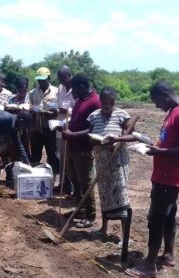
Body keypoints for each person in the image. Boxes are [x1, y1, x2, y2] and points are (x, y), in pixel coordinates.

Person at [125, 81, 179, 278]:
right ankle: (168, 255)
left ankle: (149, 265)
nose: (157, 106)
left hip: (169, 177)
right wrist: (152, 145)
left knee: (156, 219)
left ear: (165, 94)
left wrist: (160, 151)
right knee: (168, 216)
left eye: (157, 101)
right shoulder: (174, 112)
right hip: (164, 175)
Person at [87, 87, 133, 243]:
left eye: (110, 103)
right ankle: (104, 228)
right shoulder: (93, 116)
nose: (107, 105)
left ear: (114, 102)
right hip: (101, 160)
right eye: (104, 102)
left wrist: (118, 140)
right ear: (100, 101)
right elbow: (89, 137)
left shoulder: (122, 115)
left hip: (117, 160)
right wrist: (97, 140)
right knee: (104, 194)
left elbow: (133, 135)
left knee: (120, 195)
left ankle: (124, 233)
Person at [62, 73, 101, 228]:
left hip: (84, 148)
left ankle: (90, 216)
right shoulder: (80, 101)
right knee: (75, 181)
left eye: (74, 89)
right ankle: (80, 210)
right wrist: (66, 128)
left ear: (83, 86)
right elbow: (75, 121)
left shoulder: (95, 102)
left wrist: (73, 134)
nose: (72, 92)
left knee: (86, 183)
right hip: (72, 146)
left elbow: (94, 129)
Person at [29, 67, 59, 176]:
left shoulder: (56, 92)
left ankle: (53, 177)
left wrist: (49, 113)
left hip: (50, 129)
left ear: (49, 78)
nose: (41, 82)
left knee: (52, 154)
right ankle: (34, 176)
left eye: (43, 79)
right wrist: (33, 110)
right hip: (36, 128)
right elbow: (29, 107)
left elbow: (58, 110)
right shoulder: (32, 93)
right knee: (35, 154)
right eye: (39, 80)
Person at [54, 65, 75, 195]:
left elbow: (79, 108)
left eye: (63, 78)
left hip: (72, 129)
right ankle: (62, 184)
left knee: (70, 159)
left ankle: (72, 187)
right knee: (61, 158)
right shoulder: (60, 88)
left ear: (69, 76)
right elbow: (57, 104)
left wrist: (66, 111)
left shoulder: (76, 89)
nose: (61, 81)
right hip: (60, 127)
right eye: (60, 78)